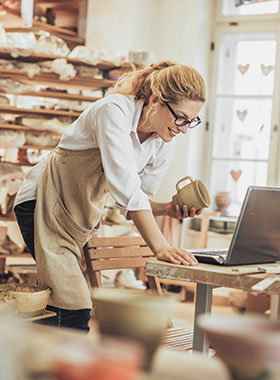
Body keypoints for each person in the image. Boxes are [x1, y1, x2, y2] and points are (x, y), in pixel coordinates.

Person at [14, 60, 206, 331]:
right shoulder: (113, 110)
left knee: (62, 304)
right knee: (73, 305)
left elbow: (135, 201)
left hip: (77, 217)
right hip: (41, 203)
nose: (184, 129)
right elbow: (127, 189)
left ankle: (45, 362)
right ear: (155, 100)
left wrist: (168, 209)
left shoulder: (164, 142)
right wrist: (161, 247)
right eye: (181, 118)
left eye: (192, 121)